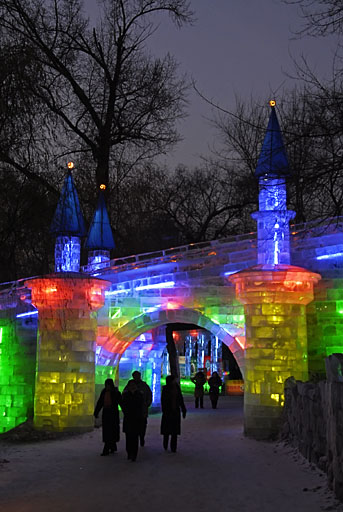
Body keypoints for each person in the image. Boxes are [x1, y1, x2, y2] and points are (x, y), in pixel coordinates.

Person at [94, 378, 122, 456]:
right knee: (108, 431)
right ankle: (112, 446)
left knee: (111, 430)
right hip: (107, 413)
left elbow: (121, 402)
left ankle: (107, 448)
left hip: (112, 414)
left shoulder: (115, 392)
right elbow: (100, 402)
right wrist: (96, 412)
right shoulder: (104, 392)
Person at [124, 370, 152, 447]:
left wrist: (147, 404)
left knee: (142, 425)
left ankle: (141, 437)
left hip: (142, 411)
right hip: (133, 412)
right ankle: (138, 438)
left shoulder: (144, 386)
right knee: (136, 427)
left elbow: (149, 395)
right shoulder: (130, 385)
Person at [160, 375, 187, 453]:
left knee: (174, 431)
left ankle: (173, 447)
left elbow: (180, 398)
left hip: (175, 411)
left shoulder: (176, 388)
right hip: (168, 411)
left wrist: (183, 408)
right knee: (167, 430)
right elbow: (163, 401)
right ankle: (166, 444)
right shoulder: (166, 389)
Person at [121, 380, 144, 462]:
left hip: (136, 418)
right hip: (128, 418)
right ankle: (129, 452)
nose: (132, 387)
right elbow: (123, 405)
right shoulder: (126, 395)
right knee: (129, 437)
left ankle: (134, 453)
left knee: (134, 437)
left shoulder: (139, 394)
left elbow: (141, 406)